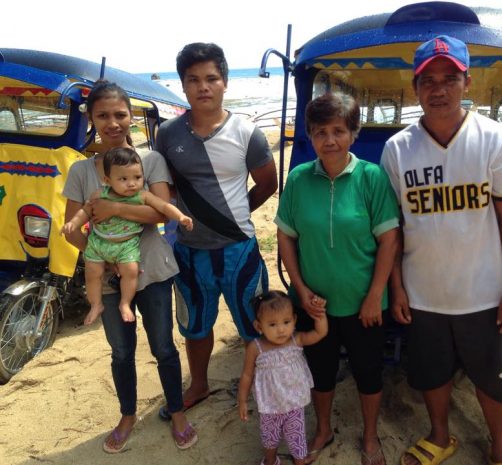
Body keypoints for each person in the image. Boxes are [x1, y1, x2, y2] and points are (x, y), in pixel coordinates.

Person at [380, 35, 502, 465]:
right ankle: (440, 436)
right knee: (432, 373)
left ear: (468, 83)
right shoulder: (398, 149)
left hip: (484, 292)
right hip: (424, 292)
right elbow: (395, 228)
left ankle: (500, 448)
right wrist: (398, 287)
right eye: (428, 81)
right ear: (416, 88)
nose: (439, 89)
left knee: (493, 380)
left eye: (449, 79)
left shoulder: (494, 139)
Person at [62, 81, 197, 452]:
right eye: (102, 115)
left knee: (164, 347)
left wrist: (115, 208)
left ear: (131, 116)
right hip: (106, 276)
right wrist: (102, 259)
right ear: (91, 118)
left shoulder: (150, 161)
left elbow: (160, 212)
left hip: (151, 269)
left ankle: (177, 410)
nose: (113, 122)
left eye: (120, 114)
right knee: (120, 352)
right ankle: (127, 415)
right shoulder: (81, 171)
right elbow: (71, 228)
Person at [276, 92, 399, 465]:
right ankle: (324, 428)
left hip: (365, 303)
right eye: (320, 132)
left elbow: (389, 239)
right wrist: (300, 289)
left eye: (338, 131)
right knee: (320, 371)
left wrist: (375, 294)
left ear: (353, 133)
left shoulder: (371, 177)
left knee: (368, 372)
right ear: (310, 136)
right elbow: (285, 236)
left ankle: (371, 436)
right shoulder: (298, 179)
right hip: (314, 305)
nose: (329, 140)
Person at [155, 43, 278, 412]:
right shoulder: (167, 134)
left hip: (239, 250)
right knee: (194, 326)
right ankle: (200, 385)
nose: (203, 87)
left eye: (211, 78)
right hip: (189, 251)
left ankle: (263, 382)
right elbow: (168, 189)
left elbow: (268, 183)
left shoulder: (247, 132)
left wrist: (236, 219)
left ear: (225, 82)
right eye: (193, 80)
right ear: (183, 85)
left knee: (256, 323)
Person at [62, 147, 193, 325]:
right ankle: (96, 304)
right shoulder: (100, 194)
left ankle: (125, 303)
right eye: (123, 179)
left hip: (126, 246)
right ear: (107, 180)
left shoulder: (142, 196)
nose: (131, 183)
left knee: (131, 272)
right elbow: (85, 211)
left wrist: (181, 217)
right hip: (98, 244)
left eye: (137, 178)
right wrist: (72, 224)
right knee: (92, 274)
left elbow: (163, 207)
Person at [238, 291, 328, 465]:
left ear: (294, 320)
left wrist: (320, 313)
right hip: (269, 408)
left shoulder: (297, 340)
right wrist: (242, 400)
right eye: (272, 324)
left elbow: (320, 332)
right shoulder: (256, 347)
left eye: (286, 322)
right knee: (269, 440)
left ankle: (299, 462)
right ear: (259, 326)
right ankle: (271, 461)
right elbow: (247, 374)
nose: (280, 329)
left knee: (297, 440)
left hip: (294, 405)